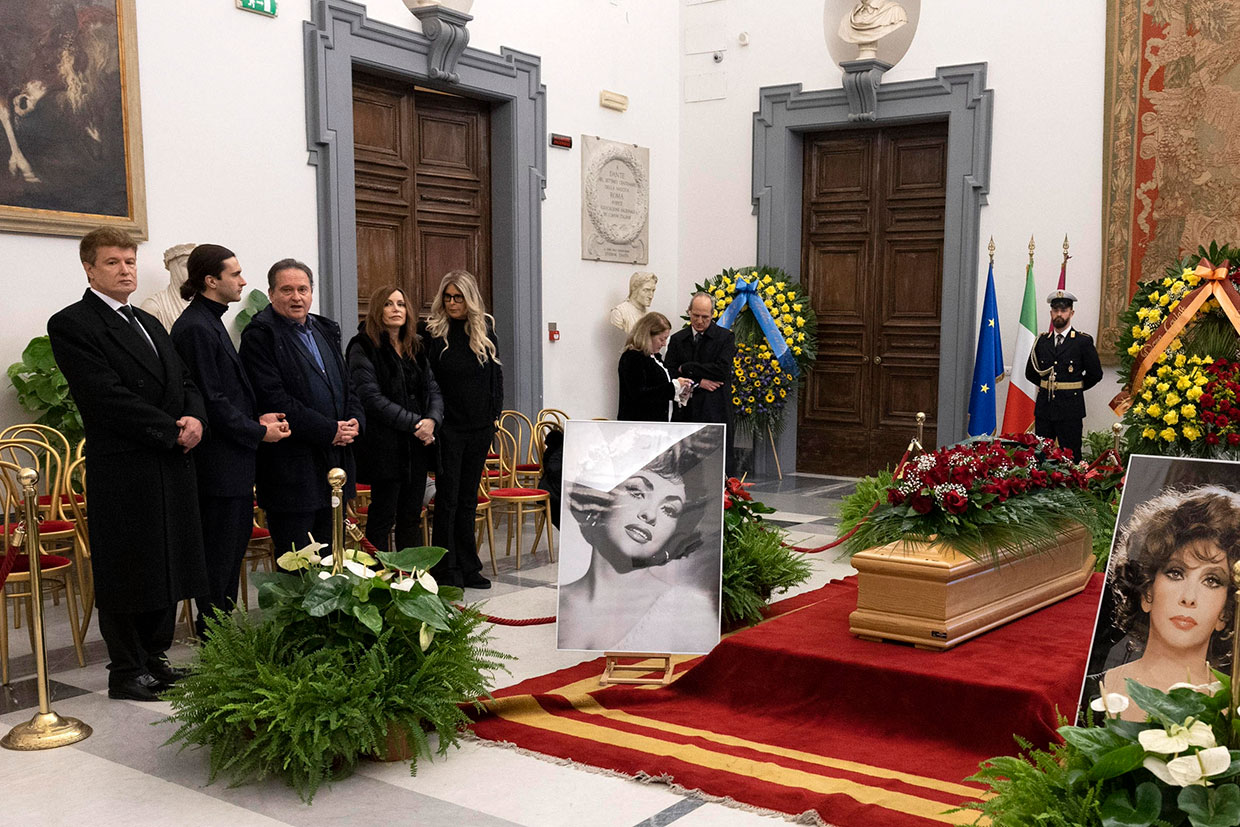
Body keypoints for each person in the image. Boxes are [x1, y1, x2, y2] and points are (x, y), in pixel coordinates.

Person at [47, 227, 208, 702]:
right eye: (113, 262)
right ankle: (127, 669)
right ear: (89, 268)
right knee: (130, 565)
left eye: (130, 262)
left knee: (168, 561)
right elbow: (104, 397)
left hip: (170, 459)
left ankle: (155, 659)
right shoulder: (73, 323)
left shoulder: (150, 322)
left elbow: (185, 379)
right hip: (125, 465)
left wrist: (196, 417)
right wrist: (169, 428)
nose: (125, 270)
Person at [170, 244, 290, 638]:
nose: (243, 281)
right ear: (210, 280)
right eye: (235, 274)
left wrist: (257, 417)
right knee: (219, 553)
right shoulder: (196, 327)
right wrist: (258, 431)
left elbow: (225, 393)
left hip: (231, 460)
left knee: (228, 550)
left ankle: (220, 629)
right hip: (218, 464)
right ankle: (214, 634)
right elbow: (211, 400)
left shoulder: (210, 320)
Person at [557, 425, 723, 653]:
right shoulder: (562, 600)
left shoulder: (689, 611)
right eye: (637, 492)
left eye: (669, 510)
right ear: (604, 496)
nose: (650, 514)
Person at [239, 259, 364, 557]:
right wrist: (329, 430)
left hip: (334, 463)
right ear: (271, 294)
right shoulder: (260, 336)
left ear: (311, 292)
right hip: (292, 472)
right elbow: (275, 400)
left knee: (333, 559)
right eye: (287, 290)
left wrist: (354, 421)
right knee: (298, 562)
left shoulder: (324, 329)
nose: (296, 297)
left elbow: (349, 386)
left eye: (302, 289)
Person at [1095, 487, 1240, 721]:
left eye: (1211, 580)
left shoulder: (1235, 710)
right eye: (1176, 573)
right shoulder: (1091, 696)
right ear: (1147, 592)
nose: (1189, 597)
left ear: (1225, 612)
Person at [421, 270, 503, 589]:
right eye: (448, 297)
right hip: (448, 429)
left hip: (479, 428)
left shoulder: (485, 329)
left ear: (470, 299)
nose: (452, 303)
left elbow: (495, 378)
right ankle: (446, 568)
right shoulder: (432, 332)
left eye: (458, 297)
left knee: (468, 498)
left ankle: (469, 566)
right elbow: (427, 384)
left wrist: (494, 417)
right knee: (448, 499)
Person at [346, 285, 442, 554]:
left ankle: (411, 580)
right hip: (383, 447)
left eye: (401, 304)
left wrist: (432, 420)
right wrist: (416, 424)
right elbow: (370, 397)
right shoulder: (363, 345)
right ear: (378, 309)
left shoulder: (416, 345)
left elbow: (432, 388)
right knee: (383, 516)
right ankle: (379, 580)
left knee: (411, 517)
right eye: (388, 304)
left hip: (416, 448)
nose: (396, 309)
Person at [1024, 289, 1102, 462]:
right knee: (1042, 456)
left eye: (1064, 310)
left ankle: (1072, 488)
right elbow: (1030, 372)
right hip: (1045, 408)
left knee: (1071, 455)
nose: (1059, 314)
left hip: (1070, 408)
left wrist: (1073, 387)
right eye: (1056, 310)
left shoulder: (1082, 342)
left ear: (1071, 313)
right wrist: (1049, 386)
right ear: (1051, 312)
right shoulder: (1042, 341)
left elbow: (1095, 374)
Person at [665, 292, 737, 473]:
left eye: (705, 317)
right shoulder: (678, 339)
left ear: (712, 315)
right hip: (686, 409)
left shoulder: (725, 338)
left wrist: (688, 367)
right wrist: (699, 381)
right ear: (688, 312)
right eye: (695, 315)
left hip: (715, 407)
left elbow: (721, 371)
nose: (699, 321)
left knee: (717, 463)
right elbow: (670, 371)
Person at [617, 311, 692, 422]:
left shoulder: (655, 358)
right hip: (640, 426)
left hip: (658, 425)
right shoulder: (632, 357)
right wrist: (673, 387)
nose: (664, 344)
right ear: (647, 336)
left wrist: (680, 389)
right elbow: (639, 395)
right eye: (662, 339)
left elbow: (660, 389)